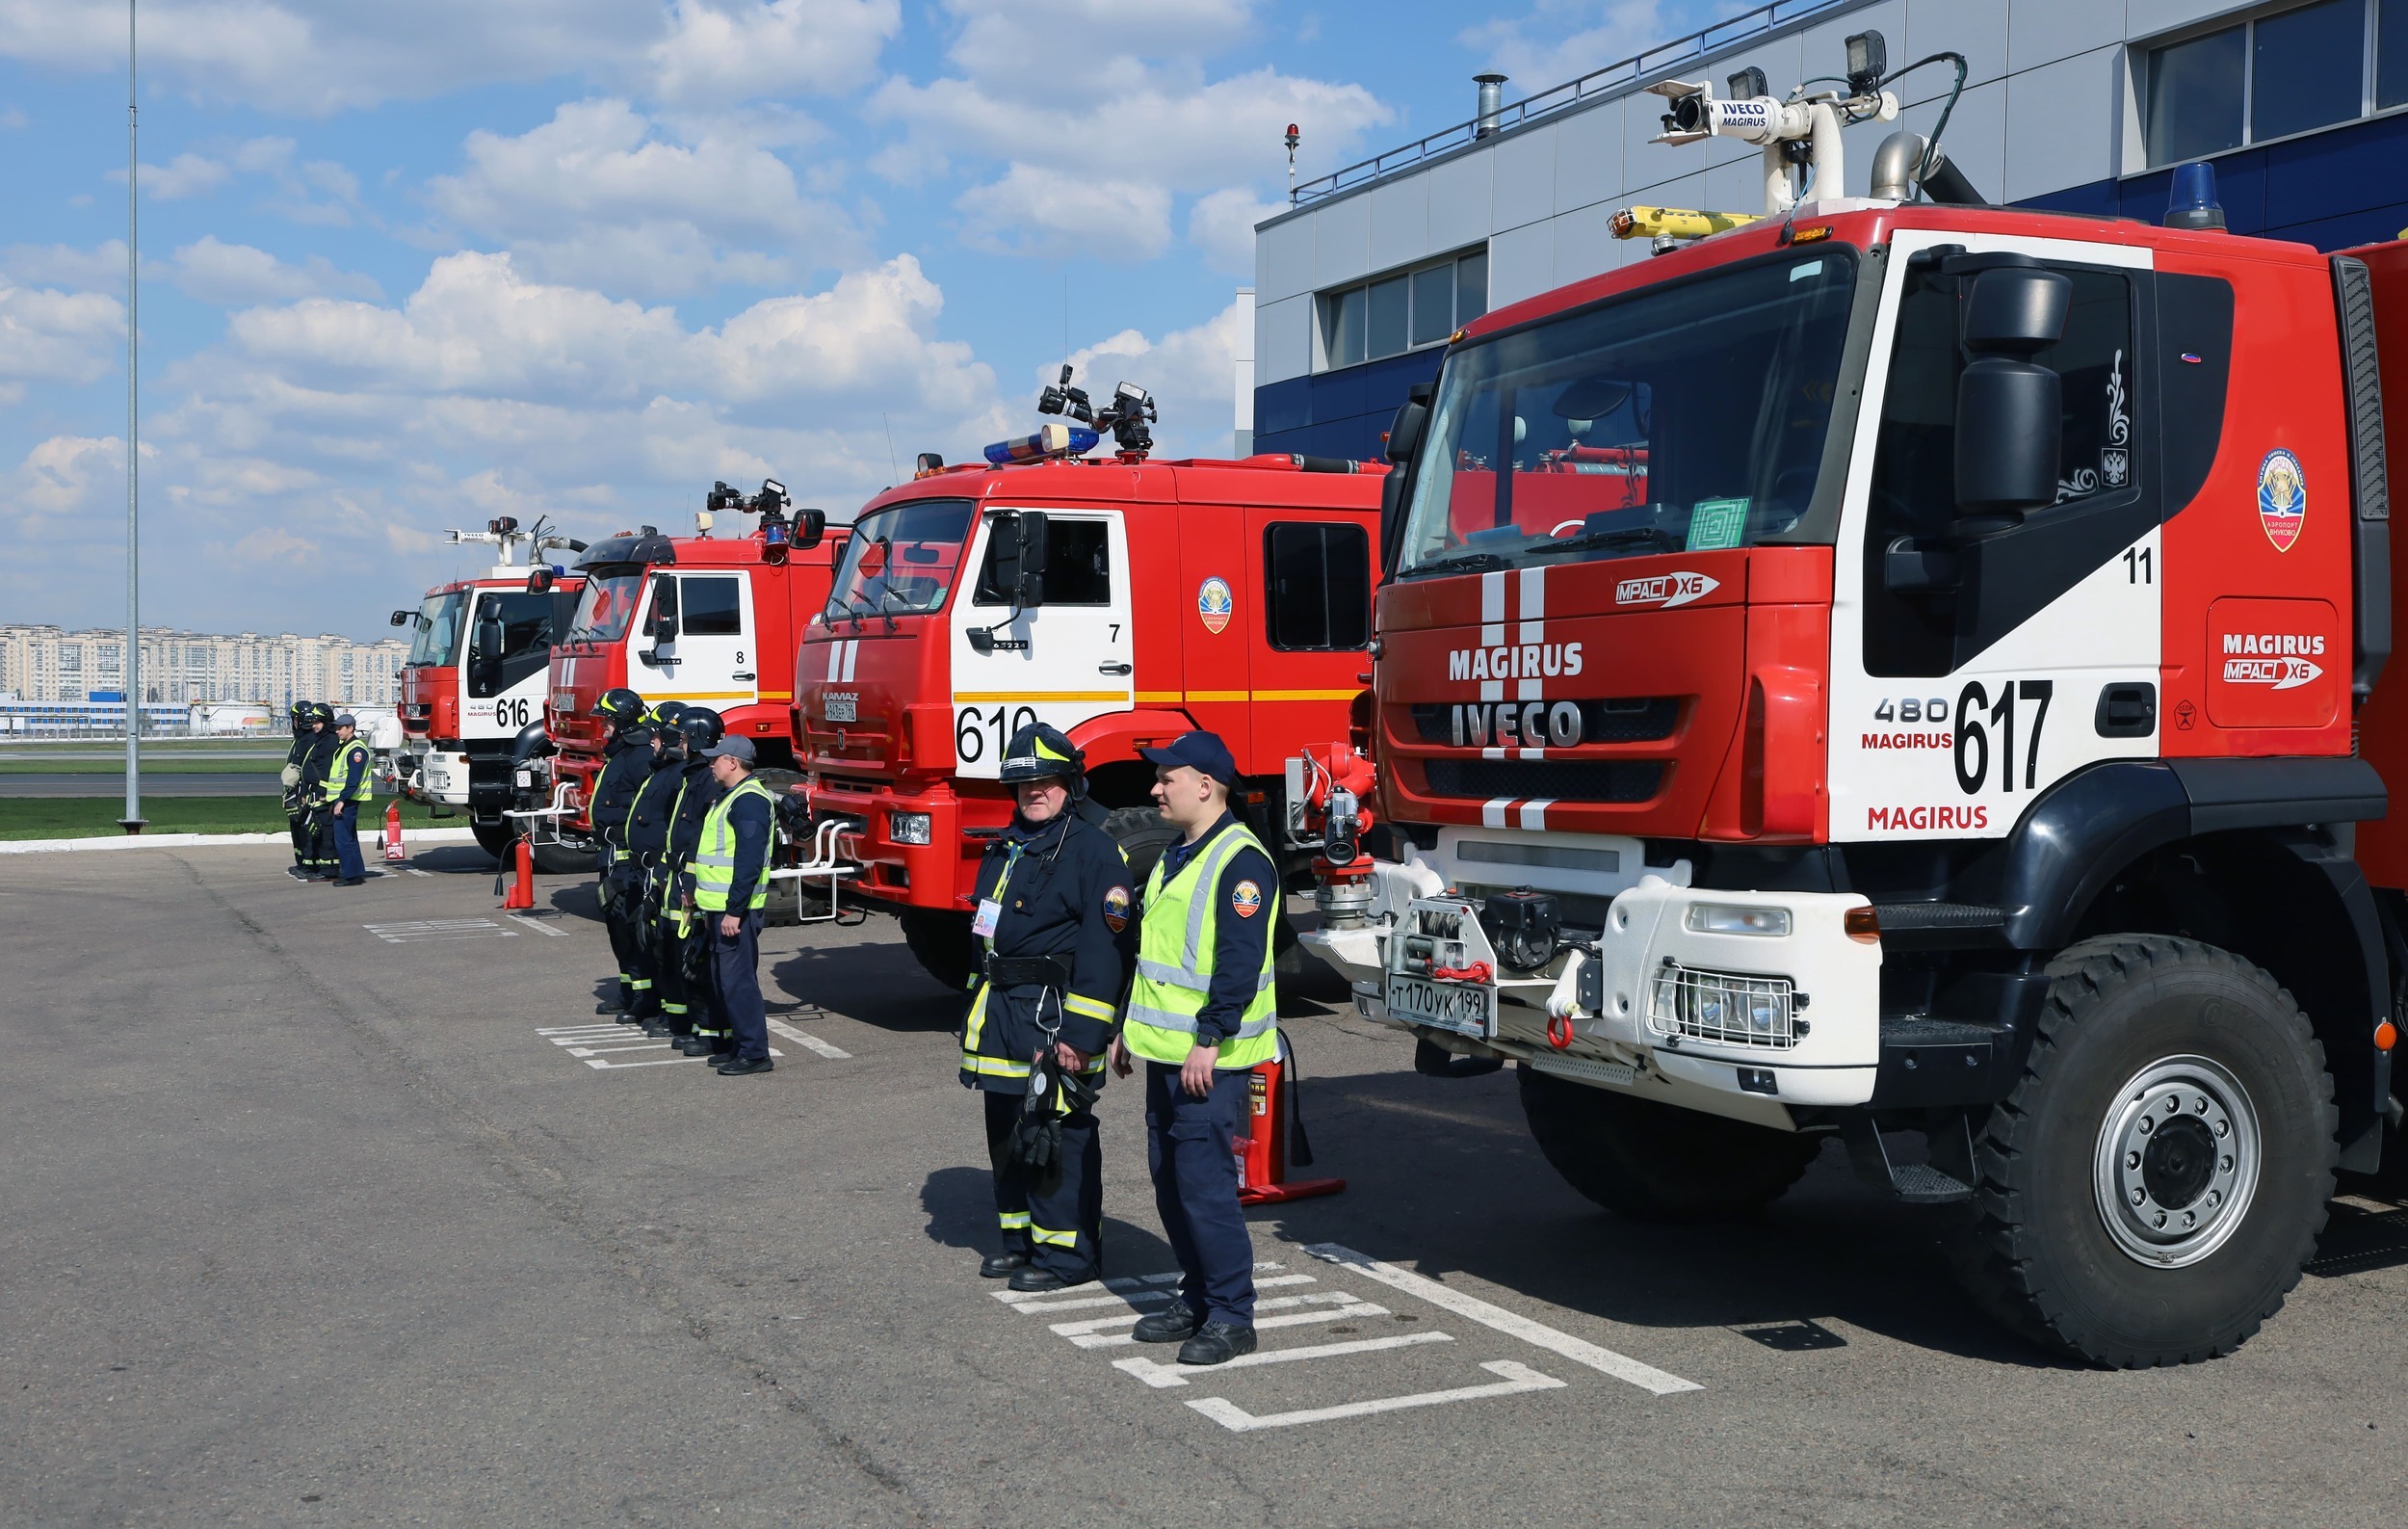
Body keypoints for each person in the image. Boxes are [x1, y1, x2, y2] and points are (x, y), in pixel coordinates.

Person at [1110, 730, 1279, 1365]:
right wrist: (1128, 1026)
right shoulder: (1178, 853)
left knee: (1205, 1190)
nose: (1155, 788)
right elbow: (1156, 958)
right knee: (1171, 1182)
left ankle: (1232, 1315)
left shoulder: (1240, 861)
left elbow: (1238, 963)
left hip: (1209, 1059)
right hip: (1167, 1050)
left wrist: (1210, 1038)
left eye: (1167, 778)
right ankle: (1199, 1295)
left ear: (1205, 786)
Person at [960, 725, 1134, 1292]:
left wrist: (1083, 1034)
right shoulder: (1007, 846)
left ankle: (1069, 1257)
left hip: (1053, 1018)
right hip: (1000, 1015)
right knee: (1007, 1133)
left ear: (1071, 784)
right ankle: (1021, 1243)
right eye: (1024, 784)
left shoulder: (1094, 852)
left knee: (1057, 1136)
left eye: (1047, 781)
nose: (1034, 791)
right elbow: (984, 934)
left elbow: (1105, 952)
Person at [693, 735, 778, 1077]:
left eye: (715, 759)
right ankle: (740, 1046)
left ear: (732, 762)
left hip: (735, 911)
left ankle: (755, 1053)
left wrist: (734, 911)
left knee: (738, 982)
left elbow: (748, 862)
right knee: (724, 980)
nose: (710, 765)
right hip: (719, 908)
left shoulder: (749, 800)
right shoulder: (731, 796)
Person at [660, 708, 727, 1056]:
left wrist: (691, 883)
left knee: (700, 961)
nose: (681, 745)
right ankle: (702, 1027)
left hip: (697, 885)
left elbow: (702, 838)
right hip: (681, 880)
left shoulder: (706, 783)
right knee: (686, 958)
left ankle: (714, 1033)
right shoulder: (694, 778)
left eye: (685, 739)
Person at [620, 703, 688, 1034]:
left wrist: (661, 872)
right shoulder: (662, 770)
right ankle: (665, 1009)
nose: (652, 740)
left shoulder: (678, 776)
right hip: (649, 873)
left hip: (664, 876)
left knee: (670, 949)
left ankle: (677, 1016)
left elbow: (677, 830)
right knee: (655, 944)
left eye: (657, 734)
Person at [587, 688, 651, 1019]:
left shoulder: (639, 758)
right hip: (610, 858)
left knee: (630, 928)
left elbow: (649, 810)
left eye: (607, 720)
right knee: (617, 929)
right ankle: (628, 991)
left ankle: (645, 997)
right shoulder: (620, 754)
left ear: (624, 722)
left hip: (627, 861)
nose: (603, 726)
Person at [312, 713, 379, 887]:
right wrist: (330, 796)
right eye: (336, 728)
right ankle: (355, 872)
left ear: (350, 728)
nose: (337, 731)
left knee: (343, 839)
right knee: (349, 838)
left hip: (347, 800)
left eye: (340, 728)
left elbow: (353, 780)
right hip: (342, 799)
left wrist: (341, 800)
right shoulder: (346, 746)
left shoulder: (356, 750)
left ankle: (350, 875)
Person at [293, 702, 342, 881]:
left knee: (327, 833)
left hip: (325, 795)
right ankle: (322, 867)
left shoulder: (331, 741)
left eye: (317, 722)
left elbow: (329, 770)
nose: (313, 725)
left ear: (326, 721)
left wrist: (324, 792)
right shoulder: (320, 739)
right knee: (317, 832)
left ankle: (330, 870)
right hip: (314, 794)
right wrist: (304, 792)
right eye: (312, 722)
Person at [280, 701, 320, 882]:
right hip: (294, 792)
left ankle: (309, 866)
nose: (293, 722)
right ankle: (302, 862)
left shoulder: (309, 740)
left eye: (294, 719)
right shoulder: (300, 740)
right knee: (296, 830)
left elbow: (303, 770)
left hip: (303, 793)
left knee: (306, 829)